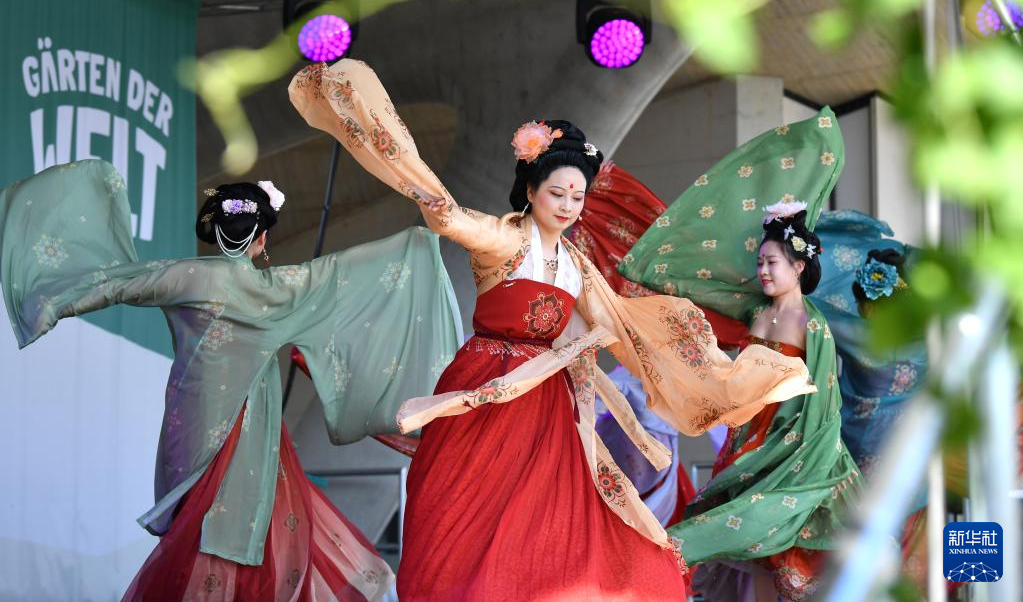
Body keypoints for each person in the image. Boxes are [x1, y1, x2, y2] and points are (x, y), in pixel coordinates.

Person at [288, 59, 818, 600]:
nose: (567, 206)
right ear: (530, 188)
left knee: (551, 533)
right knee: (457, 525)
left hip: (548, 408)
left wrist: (725, 379)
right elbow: (448, 219)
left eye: (578, 196)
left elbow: (622, 330)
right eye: (557, 193)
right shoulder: (502, 239)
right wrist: (412, 174)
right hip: (486, 391)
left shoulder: (577, 267)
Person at [0, 161, 463, 600]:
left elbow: (115, 283)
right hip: (249, 430)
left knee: (195, 524)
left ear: (218, 230)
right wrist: (418, 245)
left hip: (191, 424)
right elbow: (342, 275)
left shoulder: (185, 275)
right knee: (246, 526)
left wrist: (51, 305)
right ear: (261, 239)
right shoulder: (276, 289)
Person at [620, 110, 862, 601]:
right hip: (747, 444)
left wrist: (783, 457)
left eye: (771, 262)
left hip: (793, 454)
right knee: (752, 561)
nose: (763, 271)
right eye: (759, 263)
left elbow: (820, 408)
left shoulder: (812, 325)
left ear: (799, 266)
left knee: (775, 549)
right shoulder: (757, 314)